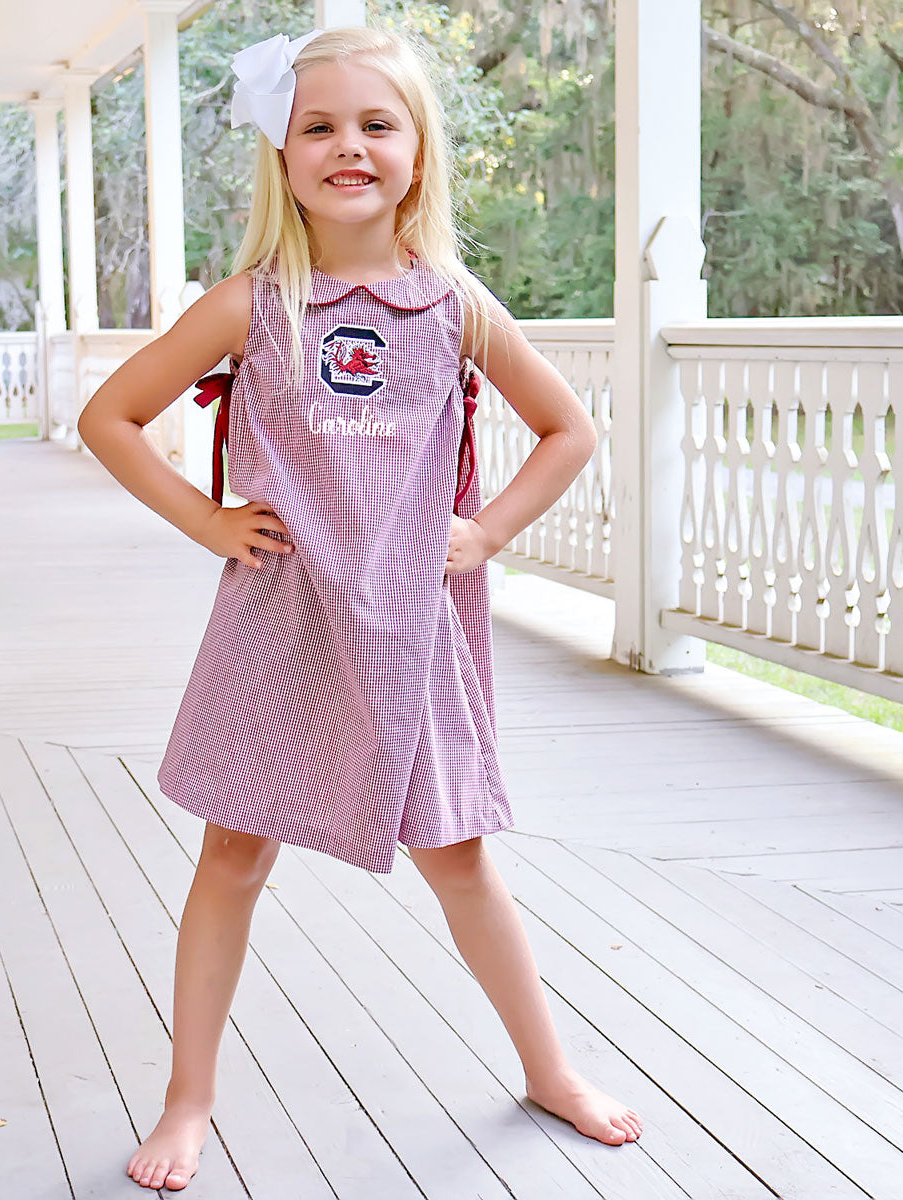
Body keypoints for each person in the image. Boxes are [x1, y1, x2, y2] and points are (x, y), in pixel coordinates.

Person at [77, 23, 643, 1192]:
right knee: (232, 851)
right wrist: (211, 520)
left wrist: (482, 533)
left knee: (461, 857)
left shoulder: (453, 305)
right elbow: (111, 417)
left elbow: (569, 430)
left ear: (418, 154)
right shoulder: (250, 304)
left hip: (409, 631)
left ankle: (548, 1065)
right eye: (318, 125)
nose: (349, 146)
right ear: (281, 155)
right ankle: (190, 1097)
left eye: (377, 124)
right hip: (280, 623)